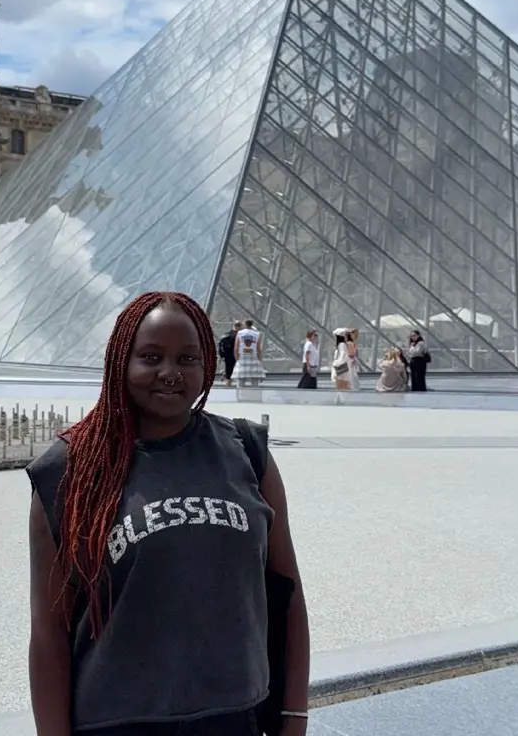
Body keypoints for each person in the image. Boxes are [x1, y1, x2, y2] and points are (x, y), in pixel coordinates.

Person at [26, 292, 310, 736]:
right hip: (117, 724)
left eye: (187, 358)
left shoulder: (248, 452)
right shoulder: (69, 471)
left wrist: (293, 717)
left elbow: (288, 595)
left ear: (207, 365)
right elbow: (49, 633)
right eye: (151, 357)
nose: (170, 373)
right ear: (121, 360)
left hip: (235, 719)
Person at [231, 319, 265, 388]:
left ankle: (241, 394)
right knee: (255, 379)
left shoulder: (240, 333)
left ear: (245, 324)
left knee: (241, 380)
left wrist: (237, 358)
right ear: (252, 324)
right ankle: (255, 395)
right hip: (253, 357)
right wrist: (259, 359)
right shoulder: (257, 334)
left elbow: (236, 348)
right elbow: (258, 348)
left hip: (242, 357)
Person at [218, 321, 241, 387]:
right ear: (239, 327)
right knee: (240, 375)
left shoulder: (226, 335)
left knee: (229, 374)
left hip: (228, 357)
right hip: (239, 356)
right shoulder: (240, 336)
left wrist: (222, 355)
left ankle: (228, 387)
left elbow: (220, 346)